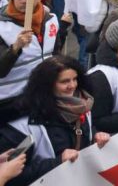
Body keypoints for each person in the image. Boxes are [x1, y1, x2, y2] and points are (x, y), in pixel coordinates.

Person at [0, 56, 111, 184]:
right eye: (65, 82)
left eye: (75, 79)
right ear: (48, 85)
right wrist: (57, 162)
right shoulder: (23, 126)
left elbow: (82, 132)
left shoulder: (82, 105)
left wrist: (96, 136)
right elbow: (10, 175)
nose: (72, 86)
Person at [0, 0, 67, 112]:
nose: (24, 0)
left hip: (44, 94)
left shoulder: (50, 19)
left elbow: (54, 52)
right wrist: (15, 48)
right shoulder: (2, 27)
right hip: (11, 100)